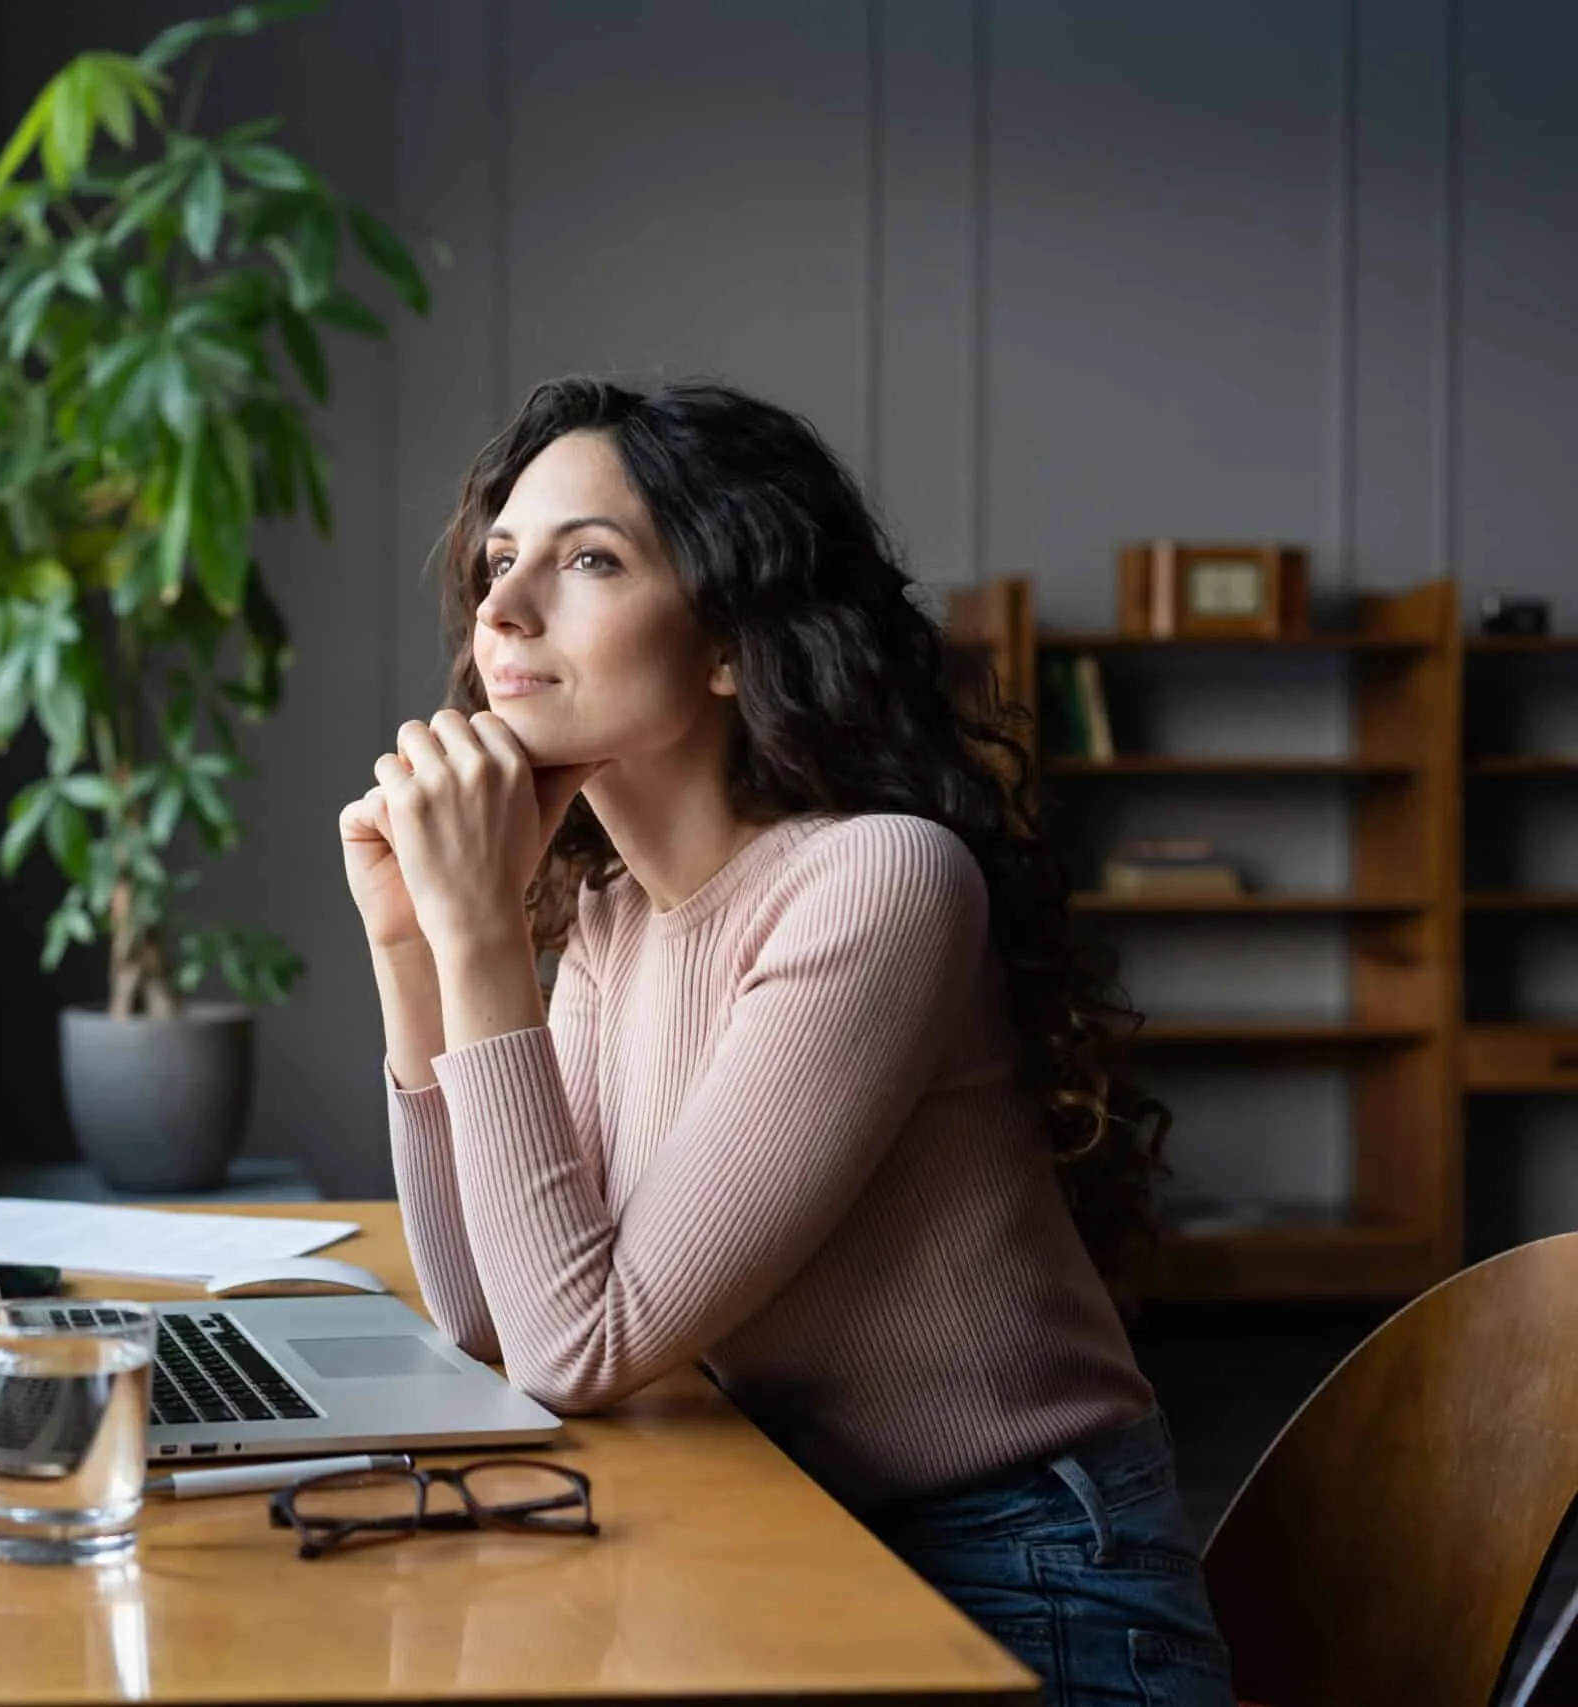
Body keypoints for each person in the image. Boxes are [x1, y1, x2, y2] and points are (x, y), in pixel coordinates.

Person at [336, 376, 1236, 1706]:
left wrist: (479, 945)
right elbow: (489, 1317)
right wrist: (412, 947)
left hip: (1025, 1584)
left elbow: (577, 1346)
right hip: (806, 1528)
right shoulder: (616, 920)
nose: (505, 608)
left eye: (588, 559)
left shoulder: (881, 882)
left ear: (728, 639)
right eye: (501, 559)